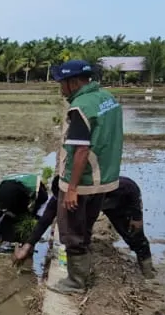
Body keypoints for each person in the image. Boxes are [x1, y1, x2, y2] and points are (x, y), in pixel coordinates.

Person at [50, 59, 124, 293]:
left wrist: (71, 188)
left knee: (71, 230)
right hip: (103, 178)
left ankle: (75, 282)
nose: (61, 89)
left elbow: (81, 149)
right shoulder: (107, 98)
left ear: (73, 82)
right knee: (85, 225)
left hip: (83, 180)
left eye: (62, 83)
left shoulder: (80, 106)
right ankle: (83, 273)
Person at [17, 175, 155, 278]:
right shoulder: (60, 197)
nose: (62, 203)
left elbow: (131, 187)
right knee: (81, 231)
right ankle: (83, 267)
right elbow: (44, 221)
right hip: (99, 204)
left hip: (120, 203)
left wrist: (137, 216)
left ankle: (148, 272)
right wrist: (28, 245)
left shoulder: (105, 187)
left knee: (133, 235)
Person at [0, 173, 46, 258]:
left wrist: (31, 240)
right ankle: (0, 239)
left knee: (29, 227)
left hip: (27, 203)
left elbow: (44, 207)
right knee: (4, 226)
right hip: (12, 204)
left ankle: (26, 243)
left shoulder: (37, 192)